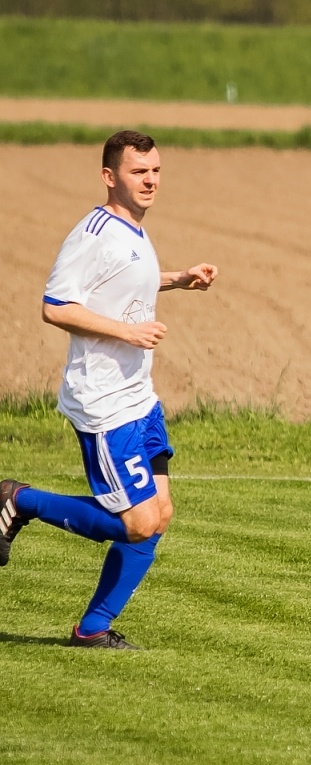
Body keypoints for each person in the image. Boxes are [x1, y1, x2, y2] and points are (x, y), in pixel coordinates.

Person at [0, 130, 218, 649]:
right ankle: (18, 499)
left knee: (158, 514)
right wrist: (129, 332)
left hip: (139, 397)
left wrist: (177, 278)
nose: (150, 181)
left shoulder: (133, 231)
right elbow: (56, 306)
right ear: (109, 176)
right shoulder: (92, 233)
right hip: (102, 401)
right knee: (138, 520)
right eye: (138, 172)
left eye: (156, 171)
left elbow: (124, 281)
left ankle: (92, 628)